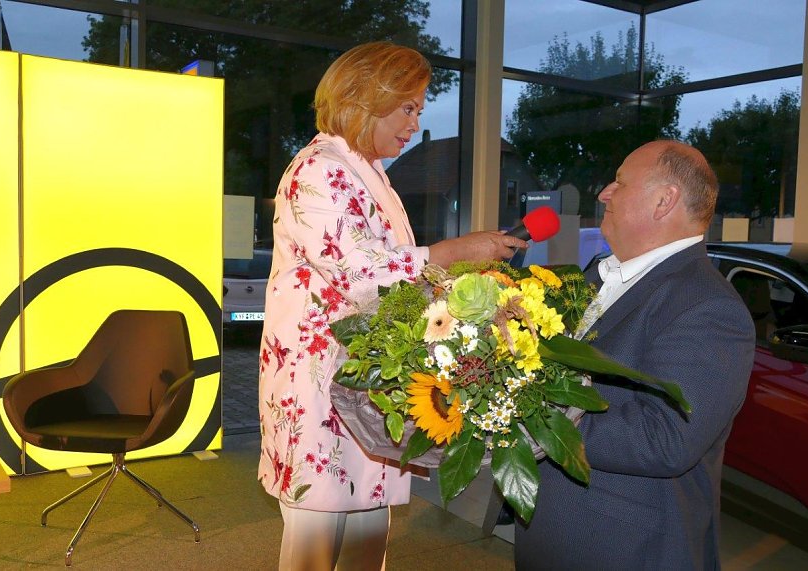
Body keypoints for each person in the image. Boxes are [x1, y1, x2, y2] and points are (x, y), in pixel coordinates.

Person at [257, 41, 526, 571]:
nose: (415, 122)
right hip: (321, 383)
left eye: (419, 109)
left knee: (366, 530)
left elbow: (394, 270)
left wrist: (467, 284)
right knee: (314, 542)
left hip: (360, 379)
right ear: (364, 98)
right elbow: (361, 273)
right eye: (408, 107)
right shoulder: (319, 168)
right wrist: (452, 253)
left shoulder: (368, 172)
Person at [514, 140, 755, 570]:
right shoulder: (593, 275)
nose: (604, 193)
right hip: (559, 536)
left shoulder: (708, 306)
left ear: (665, 201)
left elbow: (665, 439)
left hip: (624, 549)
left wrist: (531, 413)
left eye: (620, 182)